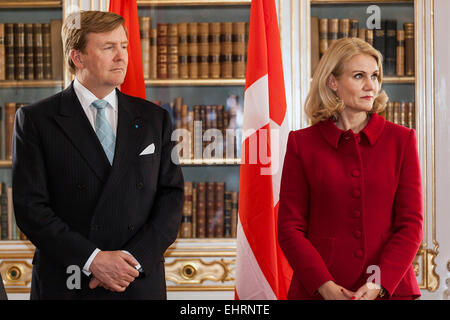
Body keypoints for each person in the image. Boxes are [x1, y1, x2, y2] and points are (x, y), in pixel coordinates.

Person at [12, 11, 184, 300]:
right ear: (77, 57)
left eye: (125, 46)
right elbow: (30, 208)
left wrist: (131, 261)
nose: (122, 56)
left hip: (137, 281)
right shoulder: (35, 119)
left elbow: (172, 197)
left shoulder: (156, 118)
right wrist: (94, 261)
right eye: (108, 47)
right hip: (69, 281)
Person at [278, 38, 423, 300]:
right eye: (359, 76)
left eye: (375, 76)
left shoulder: (401, 140)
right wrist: (324, 285)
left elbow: (411, 225)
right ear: (332, 82)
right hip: (318, 290)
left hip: (388, 287)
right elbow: (290, 227)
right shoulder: (302, 143)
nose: (371, 86)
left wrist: (379, 283)